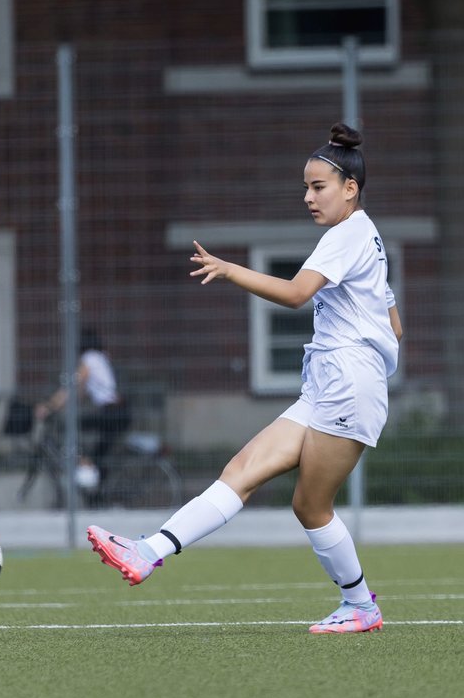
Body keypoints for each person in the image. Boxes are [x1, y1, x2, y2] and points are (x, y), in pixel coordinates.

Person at [86, 123, 403, 635]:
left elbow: (299, 294)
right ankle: (148, 551)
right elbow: (394, 323)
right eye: (305, 187)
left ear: (351, 188)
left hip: (347, 385)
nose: (308, 197)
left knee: (310, 505)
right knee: (242, 469)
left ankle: (361, 606)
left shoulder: (347, 234)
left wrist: (232, 271)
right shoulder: (363, 236)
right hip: (332, 382)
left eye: (318, 187)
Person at [36, 327, 131, 501]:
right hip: (117, 412)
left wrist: (50, 406)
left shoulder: (90, 358)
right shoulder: (100, 357)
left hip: (111, 413)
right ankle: (96, 492)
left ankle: (84, 463)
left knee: (70, 428)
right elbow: (80, 391)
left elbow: (72, 386)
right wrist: (62, 404)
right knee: (99, 453)